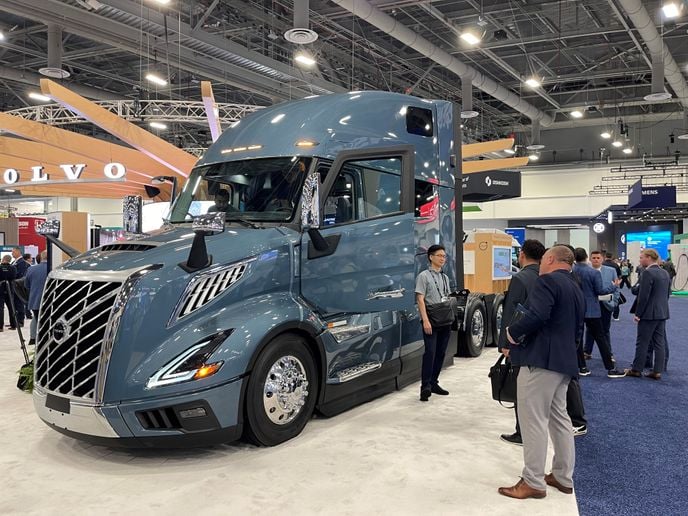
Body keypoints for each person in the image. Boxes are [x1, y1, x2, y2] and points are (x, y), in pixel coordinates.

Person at [498, 245, 584, 500]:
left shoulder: (547, 281)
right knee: (560, 419)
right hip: (564, 362)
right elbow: (577, 329)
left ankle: (533, 481)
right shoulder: (575, 286)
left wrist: (511, 334)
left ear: (549, 259)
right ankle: (562, 476)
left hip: (541, 361)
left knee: (533, 420)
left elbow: (536, 315)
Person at [498, 239, 546, 446]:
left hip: (520, 341)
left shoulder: (520, 278)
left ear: (523, 255)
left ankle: (522, 432)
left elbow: (511, 313)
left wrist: (505, 344)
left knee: (522, 388)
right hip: (542, 340)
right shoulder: (546, 276)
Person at [573, 248, 625, 378]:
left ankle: (582, 367)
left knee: (577, 338)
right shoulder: (592, 272)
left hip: (576, 309)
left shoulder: (572, 271)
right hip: (592, 309)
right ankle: (611, 368)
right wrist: (614, 285)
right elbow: (600, 291)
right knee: (601, 338)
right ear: (587, 257)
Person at [625, 249, 671, 380]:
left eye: (641, 257)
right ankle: (657, 371)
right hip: (662, 312)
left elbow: (643, 296)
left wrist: (638, 314)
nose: (640, 260)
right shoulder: (665, 273)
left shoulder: (647, 273)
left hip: (648, 314)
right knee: (659, 342)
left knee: (642, 342)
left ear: (649, 258)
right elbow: (667, 294)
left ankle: (636, 369)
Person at [415, 244, 452, 402]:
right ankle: (425, 387)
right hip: (431, 319)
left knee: (441, 352)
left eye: (444, 256)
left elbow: (447, 296)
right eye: (439, 255)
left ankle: (434, 382)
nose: (442, 258)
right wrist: (425, 320)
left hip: (445, 319)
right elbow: (420, 299)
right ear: (431, 257)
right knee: (430, 352)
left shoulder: (445, 277)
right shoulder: (423, 276)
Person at [583, 251, 619, 360]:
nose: (596, 260)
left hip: (606, 305)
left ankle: (608, 353)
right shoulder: (585, 272)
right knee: (589, 329)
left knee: (605, 330)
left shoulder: (611, 271)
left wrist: (614, 303)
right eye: (593, 258)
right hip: (590, 305)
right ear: (590, 259)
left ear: (602, 259)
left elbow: (616, 288)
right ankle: (587, 351)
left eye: (598, 258)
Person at [24, 250, 49, 346]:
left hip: (35, 301)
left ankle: (33, 338)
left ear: (41, 257)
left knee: (36, 318)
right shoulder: (53, 268)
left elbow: (26, 285)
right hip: (49, 301)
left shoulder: (31, 269)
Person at [10, 247, 29, 329]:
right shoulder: (14, 262)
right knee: (15, 303)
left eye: (13, 252)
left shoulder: (21, 262)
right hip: (13, 285)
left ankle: (20, 321)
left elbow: (20, 274)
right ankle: (15, 320)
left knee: (19, 303)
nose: (12, 253)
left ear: (18, 252)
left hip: (18, 285)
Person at [0, 255, 17, 331]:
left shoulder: (0, 267)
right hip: (10, 288)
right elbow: (14, 277)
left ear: (3, 259)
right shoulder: (13, 268)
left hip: (0, 288)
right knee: (11, 307)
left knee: (0, 308)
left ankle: (0, 327)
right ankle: (13, 325)